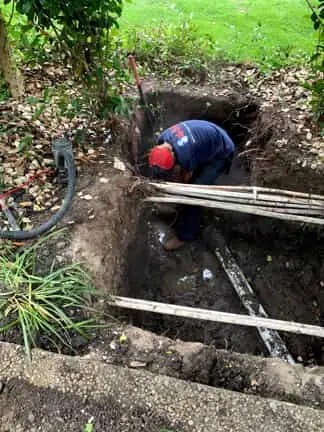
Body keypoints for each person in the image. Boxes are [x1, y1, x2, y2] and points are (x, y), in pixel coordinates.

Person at [148, 119, 235, 251]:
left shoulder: (185, 155)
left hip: (221, 150)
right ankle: (181, 208)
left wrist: (180, 193)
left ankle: (186, 235)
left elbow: (187, 178)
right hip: (207, 139)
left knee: (194, 194)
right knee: (184, 180)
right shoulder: (163, 139)